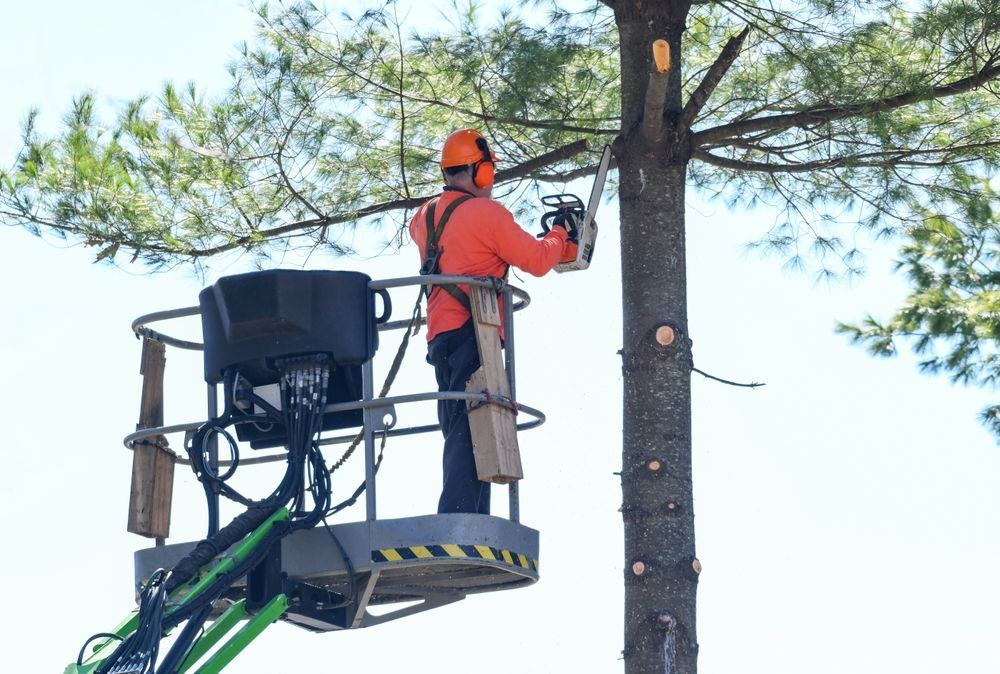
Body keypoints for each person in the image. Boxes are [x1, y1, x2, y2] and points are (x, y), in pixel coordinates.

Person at [409, 128, 571, 515]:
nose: (492, 180)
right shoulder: (487, 214)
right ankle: (460, 519)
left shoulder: (424, 216)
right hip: (475, 333)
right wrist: (560, 234)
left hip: (441, 336)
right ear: (480, 172)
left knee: (457, 425)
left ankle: (470, 516)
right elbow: (537, 260)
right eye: (490, 172)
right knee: (474, 427)